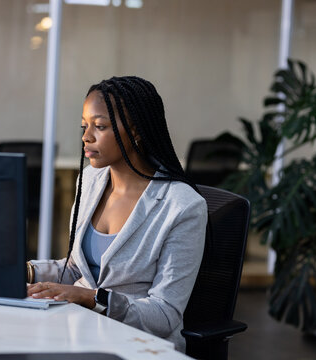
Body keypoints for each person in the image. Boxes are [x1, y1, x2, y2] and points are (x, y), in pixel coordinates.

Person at [26, 76, 208, 352]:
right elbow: (77, 269)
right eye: (84, 126)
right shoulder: (90, 180)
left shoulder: (182, 206)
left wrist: (91, 298)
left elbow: (165, 314)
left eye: (100, 126)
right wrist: (27, 271)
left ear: (135, 131)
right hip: (79, 332)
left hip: (140, 346)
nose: (86, 137)